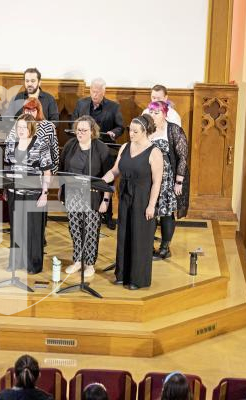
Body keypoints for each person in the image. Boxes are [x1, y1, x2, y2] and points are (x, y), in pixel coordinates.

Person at [102, 114, 163, 289]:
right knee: (124, 234)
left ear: (145, 132)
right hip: (126, 196)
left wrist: (152, 205)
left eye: (136, 131)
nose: (131, 134)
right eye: (130, 130)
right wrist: (99, 181)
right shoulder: (125, 147)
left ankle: (137, 279)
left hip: (143, 198)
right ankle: (122, 274)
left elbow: (157, 181)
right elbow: (115, 171)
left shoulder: (154, 152)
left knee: (139, 237)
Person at [60, 116, 111, 278]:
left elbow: (108, 177)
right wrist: (62, 191)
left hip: (93, 195)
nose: (80, 133)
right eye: (78, 130)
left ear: (92, 131)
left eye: (84, 130)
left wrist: (106, 200)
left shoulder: (100, 148)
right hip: (72, 194)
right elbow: (62, 169)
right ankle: (77, 260)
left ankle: (89, 263)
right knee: (75, 228)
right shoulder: (70, 145)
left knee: (90, 229)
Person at [72, 78, 124, 230]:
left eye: (97, 92)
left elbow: (121, 127)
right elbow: (72, 123)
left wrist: (113, 133)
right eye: (92, 91)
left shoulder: (113, 107)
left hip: (104, 150)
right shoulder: (81, 104)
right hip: (84, 148)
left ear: (103, 92)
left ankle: (107, 215)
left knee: (105, 180)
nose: (94, 94)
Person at [4, 114, 52, 274]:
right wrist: (5, 188)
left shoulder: (41, 143)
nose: (21, 130)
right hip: (14, 191)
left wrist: (45, 193)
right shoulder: (11, 143)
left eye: (24, 127)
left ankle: (34, 264)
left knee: (33, 228)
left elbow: (47, 171)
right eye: (19, 127)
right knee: (16, 227)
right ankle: (16, 262)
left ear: (31, 127)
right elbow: (7, 167)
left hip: (34, 193)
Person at [145, 101, 189, 260]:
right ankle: (147, 245)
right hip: (148, 177)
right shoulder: (147, 129)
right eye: (151, 112)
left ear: (164, 114)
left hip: (167, 179)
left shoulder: (173, 129)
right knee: (150, 211)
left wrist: (179, 181)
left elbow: (183, 156)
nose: (153, 115)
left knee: (166, 212)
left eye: (156, 112)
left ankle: (165, 247)